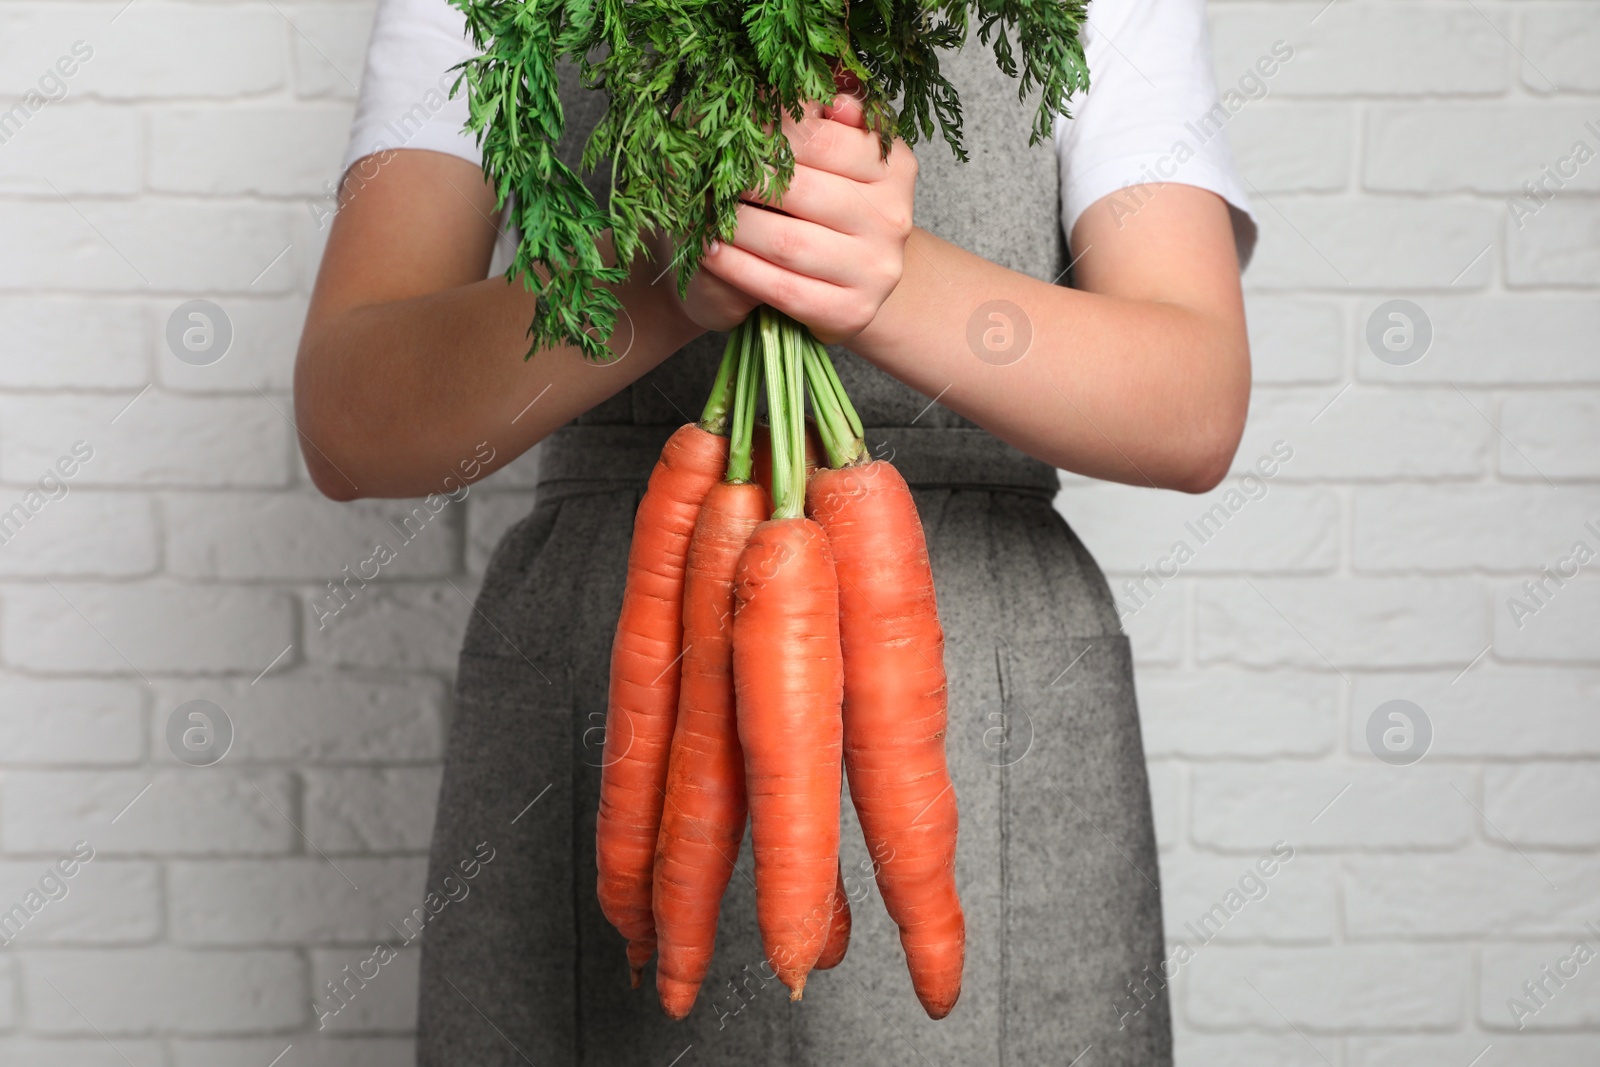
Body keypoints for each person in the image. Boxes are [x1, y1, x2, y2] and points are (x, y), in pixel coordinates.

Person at [295, 0, 1255, 1061]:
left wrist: (877, 277)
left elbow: (1194, 407)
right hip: (613, 683)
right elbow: (350, 424)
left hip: (990, 707)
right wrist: (656, 269)